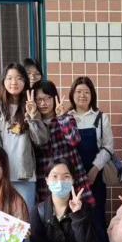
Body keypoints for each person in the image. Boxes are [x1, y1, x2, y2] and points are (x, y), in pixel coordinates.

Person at [0, 62, 49, 212]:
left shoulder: (30, 106)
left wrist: (33, 117)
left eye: (19, 78)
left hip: (24, 176)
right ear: (3, 81)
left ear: (25, 82)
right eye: (9, 78)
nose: (14, 82)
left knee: (24, 220)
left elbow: (42, 140)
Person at [67, 75, 116, 242]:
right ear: (72, 94)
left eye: (86, 92)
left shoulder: (101, 117)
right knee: (74, 214)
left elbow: (108, 147)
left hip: (95, 173)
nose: (82, 95)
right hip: (71, 173)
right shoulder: (66, 117)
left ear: (92, 95)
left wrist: (95, 169)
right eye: (78, 91)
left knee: (96, 214)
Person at [31, 80, 95, 208]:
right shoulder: (33, 122)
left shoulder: (67, 118)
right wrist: (33, 119)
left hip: (70, 173)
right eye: (39, 99)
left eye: (48, 98)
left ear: (55, 98)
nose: (43, 103)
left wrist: (61, 118)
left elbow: (74, 140)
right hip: (47, 175)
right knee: (50, 210)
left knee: (79, 208)